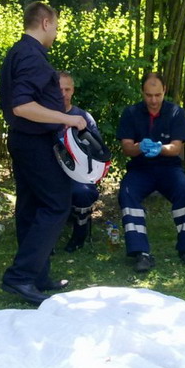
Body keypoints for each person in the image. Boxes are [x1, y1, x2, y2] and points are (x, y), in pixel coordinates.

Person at [0, 2, 87, 305]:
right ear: (46, 22)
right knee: (57, 205)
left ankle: (37, 276)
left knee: (31, 207)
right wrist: (69, 118)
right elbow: (22, 106)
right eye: (57, 26)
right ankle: (20, 277)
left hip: (23, 140)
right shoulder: (32, 57)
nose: (57, 33)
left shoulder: (17, 52)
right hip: (34, 143)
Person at [117, 73, 185, 272]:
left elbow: (177, 148)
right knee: (127, 193)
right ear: (142, 93)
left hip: (169, 166)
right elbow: (126, 148)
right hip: (140, 168)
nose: (153, 100)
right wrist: (140, 147)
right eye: (148, 95)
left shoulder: (176, 112)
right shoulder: (131, 112)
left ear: (165, 92)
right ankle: (140, 252)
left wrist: (160, 148)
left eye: (157, 95)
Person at [58, 71, 101, 252]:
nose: (63, 94)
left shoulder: (83, 117)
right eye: (59, 89)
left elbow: (97, 150)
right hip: (50, 171)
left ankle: (79, 235)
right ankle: (46, 240)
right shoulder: (43, 116)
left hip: (79, 173)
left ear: (73, 91)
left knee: (83, 191)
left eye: (67, 89)